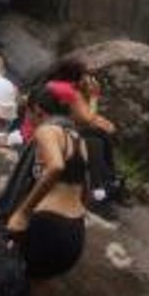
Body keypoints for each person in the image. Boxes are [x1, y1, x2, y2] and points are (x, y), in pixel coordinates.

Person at [4, 85, 88, 296]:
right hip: (74, 232)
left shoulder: (46, 130)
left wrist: (23, 212)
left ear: (37, 110)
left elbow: (55, 167)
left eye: (30, 115)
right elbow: (82, 185)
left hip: (48, 228)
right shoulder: (77, 137)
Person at [42, 57, 119, 217]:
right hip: (55, 134)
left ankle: (105, 185)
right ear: (77, 75)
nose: (88, 78)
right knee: (96, 141)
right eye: (85, 75)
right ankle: (103, 188)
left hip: (53, 129)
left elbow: (77, 116)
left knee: (98, 136)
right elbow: (87, 118)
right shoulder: (70, 91)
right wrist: (94, 96)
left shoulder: (55, 85)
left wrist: (101, 121)